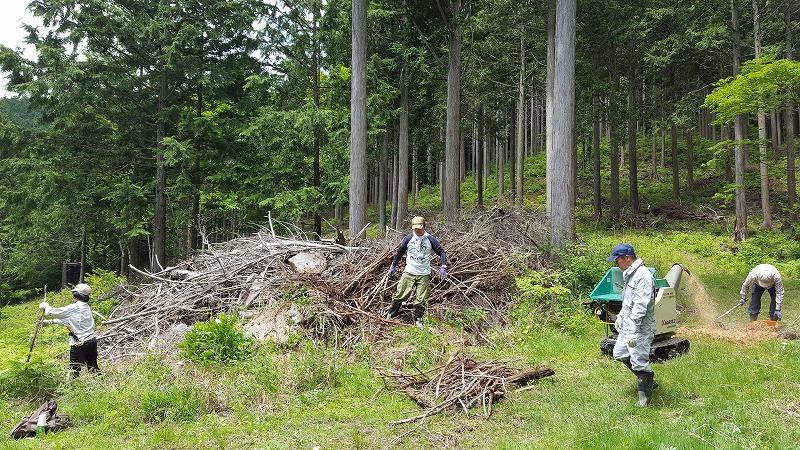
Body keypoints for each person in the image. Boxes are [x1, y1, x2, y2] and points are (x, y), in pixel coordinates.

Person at [608, 243, 656, 407]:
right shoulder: (629, 274)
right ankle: (648, 381)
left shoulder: (643, 276)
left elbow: (640, 306)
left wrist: (634, 330)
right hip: (628, 325)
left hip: (640, 327)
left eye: (618, 261)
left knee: (639, 360)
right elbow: (628, 301)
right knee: (620, 353)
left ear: (627, 258)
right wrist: (620, 316)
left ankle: (645, 399)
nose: (617, 264)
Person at [386, 216, 448, 329]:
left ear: (424, 226)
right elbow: (400, 252)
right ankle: (390, 314)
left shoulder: (431, 239)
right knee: (400, 294)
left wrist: (443, 265)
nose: (417, 230)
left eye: (419, 228)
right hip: (409, 271)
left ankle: (418, 320)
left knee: (422, 298)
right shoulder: (408, 239)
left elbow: (442, 252)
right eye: (415, 228)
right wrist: (393, 265)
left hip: (424, 273)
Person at [39, 283, 100, 377]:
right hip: (91, 341)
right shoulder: (85, 307)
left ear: (77, 295)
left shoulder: (75, 307)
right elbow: (69, 321)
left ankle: (74, 388)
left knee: (74, 370)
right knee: (93, 368)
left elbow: (54, 312)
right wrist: (48, 322)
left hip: (80, 343)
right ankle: (98, 386)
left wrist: (46, 306)